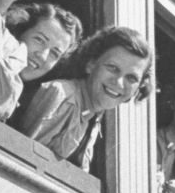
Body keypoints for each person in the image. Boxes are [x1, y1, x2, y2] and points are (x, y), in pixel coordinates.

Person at [19, 26, 152, 170]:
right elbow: (24, 159)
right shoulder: (62, 97)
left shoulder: (93, 115)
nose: (119, 82)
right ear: (91, 64)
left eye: (131, 78)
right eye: (112, 68)